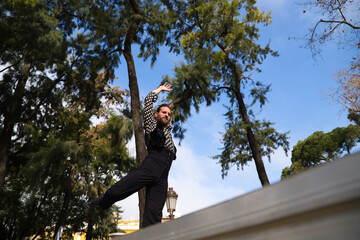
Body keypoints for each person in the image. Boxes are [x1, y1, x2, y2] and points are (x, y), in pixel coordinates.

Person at [90, 82, 177, 228]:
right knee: (123, 187)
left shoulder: (168, 131)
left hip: (162, 176)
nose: (167, 115)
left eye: (169, 114)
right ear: (156, 115)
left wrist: (170, 107)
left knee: (154, 214)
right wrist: (159, 90)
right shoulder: (151, 124)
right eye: (163, 112)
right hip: (151, 166)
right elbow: (148, 100)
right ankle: (104, 201)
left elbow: (168, 121)